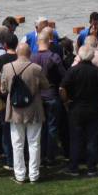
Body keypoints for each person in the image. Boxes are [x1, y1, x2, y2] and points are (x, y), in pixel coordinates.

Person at [0, 43, 48, 183]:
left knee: (17, 143)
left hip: (15, 111)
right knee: (34, 143)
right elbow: (45, 86)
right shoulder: (36, 68)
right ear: (29, 53)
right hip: (34, 109)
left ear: (16, 52)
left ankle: (20, 175)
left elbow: (3, 90)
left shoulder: (7, 68)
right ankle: (34, 174)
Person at [60, 46, 98, 177]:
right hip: (93, 109)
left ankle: (73, 167)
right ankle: (91, 167)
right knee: (91, 138)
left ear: (79, 56)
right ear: (92, 56)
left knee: (75, 139)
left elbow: (62, 88)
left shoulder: (73, 71)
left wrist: (65, 101)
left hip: (76, 108)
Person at [30, 27, 67, 165]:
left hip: (37, 97)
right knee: (52, 128)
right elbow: (64, 76)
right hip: (52, 95)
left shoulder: (32, 58)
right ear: (49, 42)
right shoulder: (54, 57)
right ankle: (50, 156)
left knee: (40, 128)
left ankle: (39, 155)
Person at [0, 30, 19, 171]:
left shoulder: (0, 60)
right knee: (20, 131)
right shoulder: (22, 57)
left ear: (5, 45)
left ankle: (10, 160)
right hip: (20, 99)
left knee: (6, 131)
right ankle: (21, 157)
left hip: (4, 100)